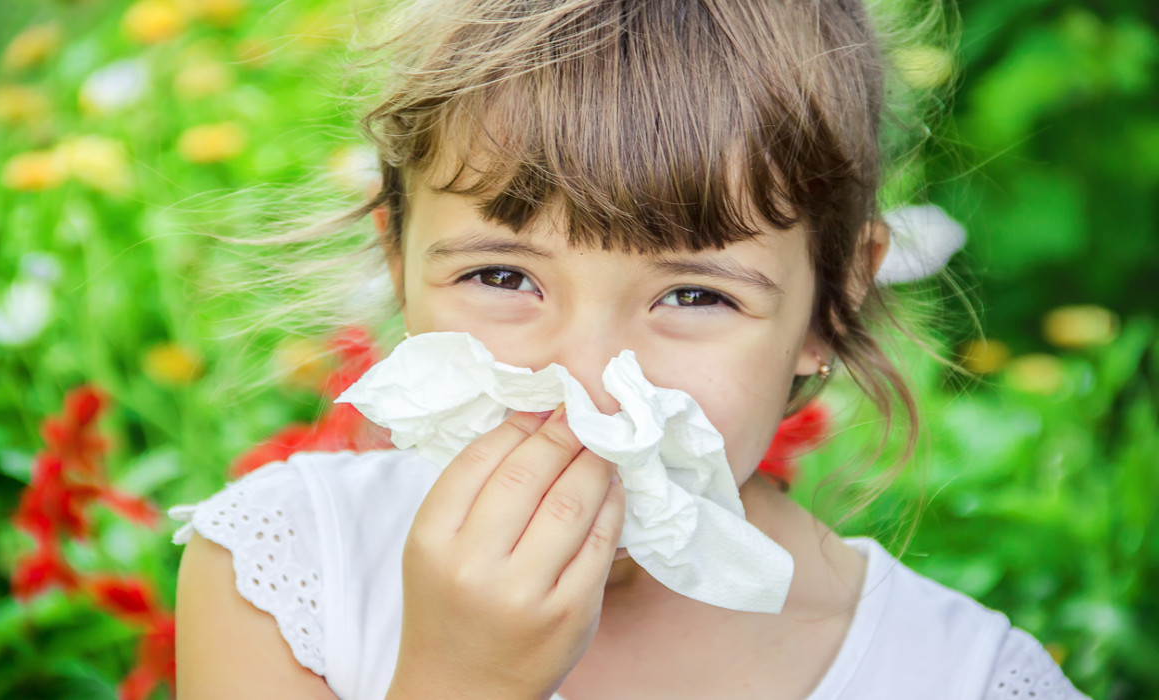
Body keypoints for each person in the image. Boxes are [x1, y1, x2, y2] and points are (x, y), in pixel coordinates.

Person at [171, 0, 1090, 698]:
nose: (580, 385)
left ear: (828, 305)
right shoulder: (286, 572)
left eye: (693, 295)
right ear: (396, 257)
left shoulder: (959, 677)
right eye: (502, 277)